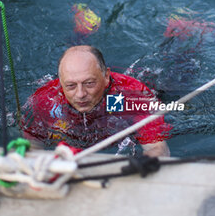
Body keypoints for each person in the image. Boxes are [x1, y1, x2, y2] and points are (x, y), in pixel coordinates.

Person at [20, 45, 172, 157]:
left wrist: (143, 164)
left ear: (106, 77)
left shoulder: (131, 97)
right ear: (60, 83)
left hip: (136, 93)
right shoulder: (44, 101)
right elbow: (31, 148)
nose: (80, 94)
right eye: (71, 86)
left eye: (89, 83)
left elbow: (158, 149)